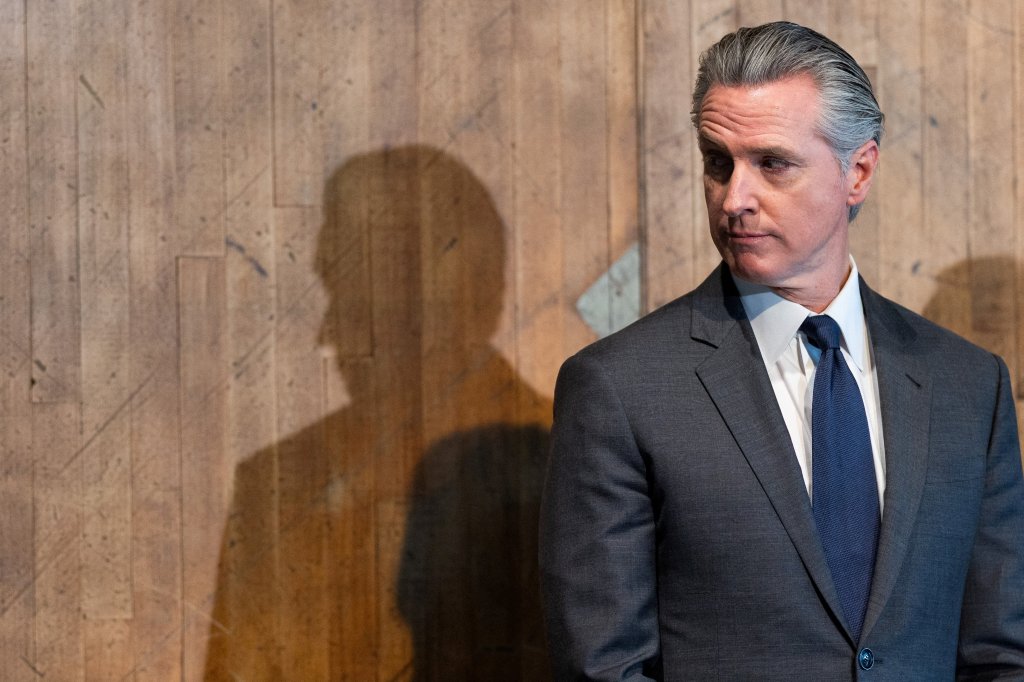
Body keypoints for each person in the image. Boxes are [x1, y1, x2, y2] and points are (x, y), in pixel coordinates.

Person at [539, 21, 1024, 680]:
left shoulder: (970, 385)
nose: (734, 199)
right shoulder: (621, 388)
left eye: (772, 164)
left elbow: (998, 649)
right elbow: (605, 665)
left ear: (858, 170)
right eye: (718, 162)